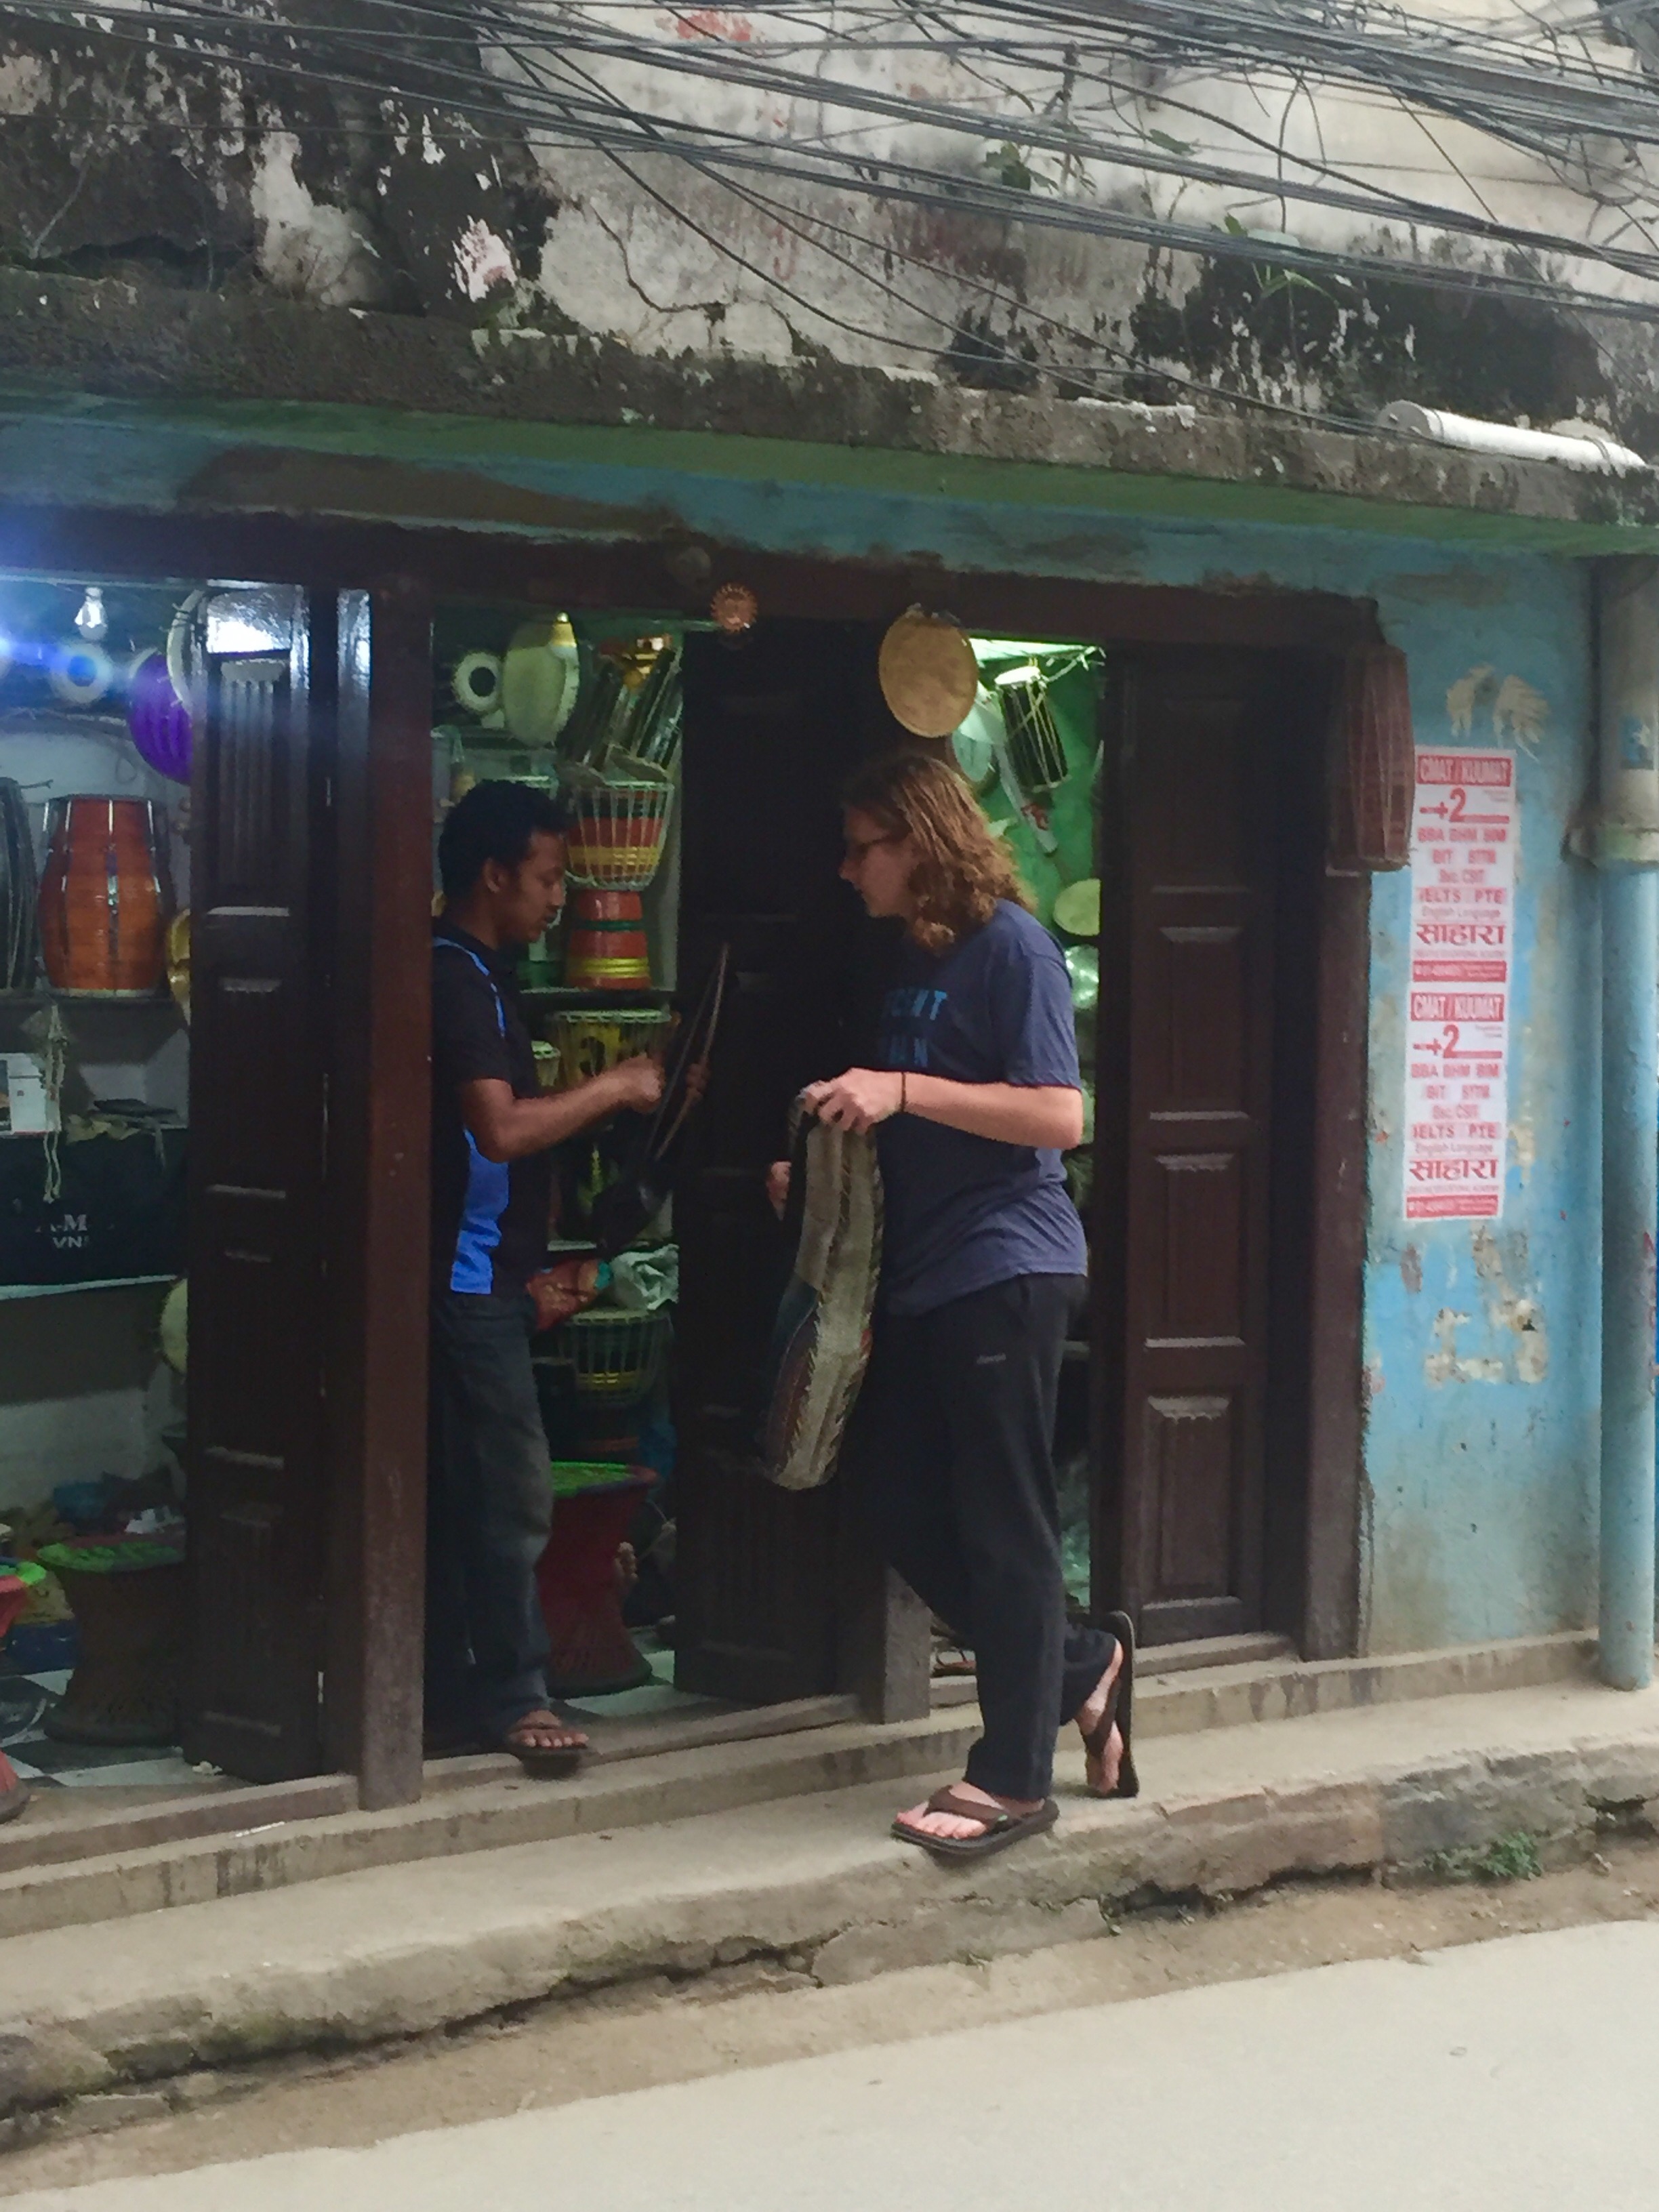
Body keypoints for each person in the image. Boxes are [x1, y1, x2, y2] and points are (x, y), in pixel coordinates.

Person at [773, 747, 1136, 1860]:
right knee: (893, 1503)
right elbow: (921, 1122)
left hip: (1005, 1268)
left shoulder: (1013, 948)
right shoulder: (910, 956)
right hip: (922, 1272)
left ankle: (1013, 1778)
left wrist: (900, 1087)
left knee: (1001, 1519)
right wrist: (825, 1162)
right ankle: (1081, 1665)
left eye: (862, 848)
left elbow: (1058, 1116)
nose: (848, 871)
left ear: (920, 843)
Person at [428, 780, 663, 1774]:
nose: (560, 896)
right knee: (512, 1491)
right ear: (494, 875)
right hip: (463, 1281)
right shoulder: (456, 976)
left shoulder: (481, 972)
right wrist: (616, 1085)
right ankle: (515, 1694)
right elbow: (499, 1129)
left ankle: (452, 1690)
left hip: (486, 1278)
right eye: (548, 876)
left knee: (473, 1491)